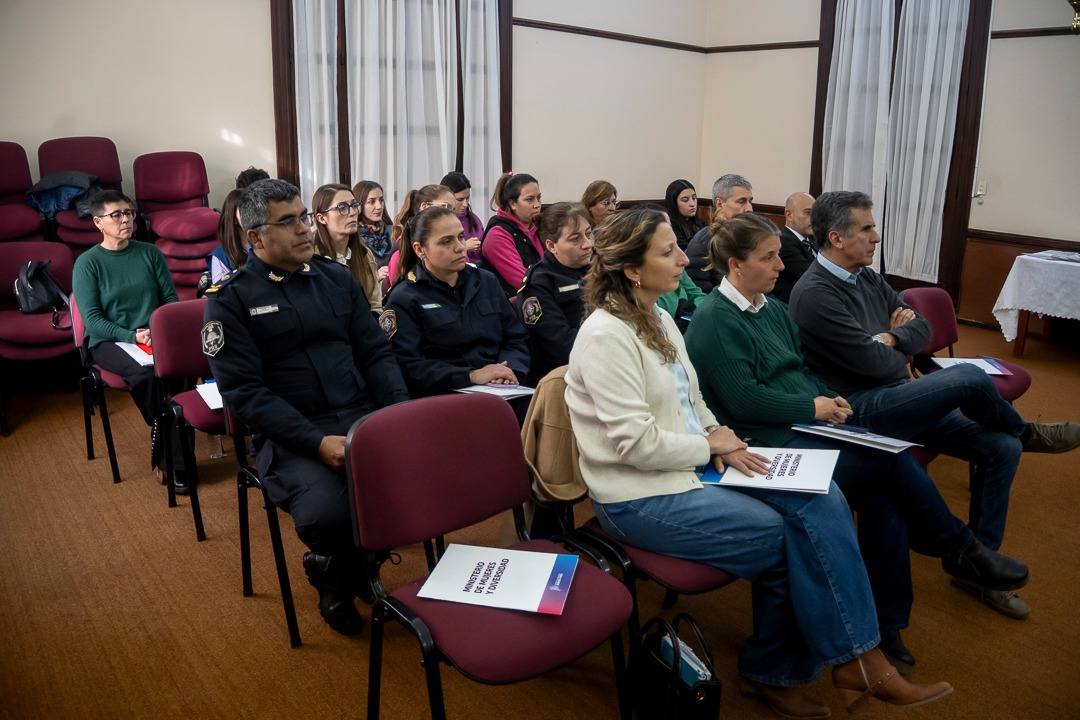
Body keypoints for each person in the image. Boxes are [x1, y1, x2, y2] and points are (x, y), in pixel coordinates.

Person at [564, 206, 952, 718]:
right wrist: (713, 446)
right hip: (638, 495)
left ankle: (850, 662)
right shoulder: (605, 336)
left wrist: (718, 436)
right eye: (668, 251)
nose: (684, 258)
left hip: (691, 466)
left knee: (820, 497)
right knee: (790, 536)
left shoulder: (657, 316)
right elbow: (634, 445)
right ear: (633, 269)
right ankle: (802, 668)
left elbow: (692, 399)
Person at [684, 212, 1029, 672]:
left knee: (886, 499)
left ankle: (889, 626)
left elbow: (798, 369)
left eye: (777, 256)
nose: (781, 266)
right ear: (735, 265)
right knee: (892, 464)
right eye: (768, 258)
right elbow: (743, 400)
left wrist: (826, 398)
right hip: (762, 444)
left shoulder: (771, 308)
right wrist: (813, 407)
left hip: (802, 425)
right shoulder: (715, 319)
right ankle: (960, 548)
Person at [788, 191, 1080, 619]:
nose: (876, 237)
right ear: (836, 237)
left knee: (1001, 449)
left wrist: (891, 338)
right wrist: (893, 347)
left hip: (897, 392)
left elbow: (920, 329)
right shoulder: (815, 293)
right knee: (969, 377)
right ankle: (1025, 430)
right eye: (867, 229)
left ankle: (976, 569)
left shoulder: (865, 275)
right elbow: (873, 363)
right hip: (858, 409)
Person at [203, 179, 410, 636]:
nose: (304, 229)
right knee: (328, 514)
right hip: (294, 434)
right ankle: (334, 576)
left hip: (360, 414)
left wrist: (399, 414)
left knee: (412, 483)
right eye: (288, 222)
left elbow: (375, 353)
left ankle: (358, 563)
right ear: (255, 237)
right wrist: (316, 443)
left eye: (303, 217)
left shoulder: (335, 278)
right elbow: (245, 393)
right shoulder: (231, 302)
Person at [72, 189, 184, 482]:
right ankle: (176, 462)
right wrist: (132, 336)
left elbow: (169, 300)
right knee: (148, 376)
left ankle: (168, 450)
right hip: (109, 341)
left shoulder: (150, 253)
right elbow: (93, 321)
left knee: (183, 368)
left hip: (154, 334)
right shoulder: (87, 263)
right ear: (98, 222)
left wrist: (159, 330)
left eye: (129, 212)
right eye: (117, 214)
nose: (126, 219)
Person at [381, 206, 529, 404]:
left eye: (461, 237)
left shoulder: (485, 281)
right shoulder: (405, 297)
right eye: (446, 241)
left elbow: (516, 336)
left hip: (503, 387)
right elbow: (409, 366)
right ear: (420, 249)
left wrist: (508, 370)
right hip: (445, 396)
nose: (460, 247)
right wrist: (471, 375)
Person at [516, 202, 593, 384]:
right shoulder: (538, 284)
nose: (588, 244)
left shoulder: (600, 269)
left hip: (602, 361)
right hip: (562, 377)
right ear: (551, 246)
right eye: (575, 239)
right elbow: (562, 346)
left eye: (589, 234)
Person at [312, 183, 382, 312]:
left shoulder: (365, 254)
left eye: (354, 205)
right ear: (322, 218)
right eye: (342, 207)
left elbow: (375, 305)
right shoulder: (310, 258)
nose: (352, 212)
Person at [686, 174, 754, 293]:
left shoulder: (752, 236)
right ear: (720, 203)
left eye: (750, 201)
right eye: (741, 201)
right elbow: (701, 295)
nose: (749, 208)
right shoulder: (704, 242)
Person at [480, 172, 543, 295]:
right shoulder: (497, 236)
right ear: (512, 203)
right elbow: (523, 281)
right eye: (530, 199)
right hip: (512, 302)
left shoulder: (539, 226)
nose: (537, 205)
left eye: (539, 198)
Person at [388, 184, 456, 283]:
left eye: (453, 210)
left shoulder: (455, 240)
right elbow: (399, 288)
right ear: (424, 207)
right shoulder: (401, 250)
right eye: (446, 207)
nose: (452, 215)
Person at [773, 192, 816, 303]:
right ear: (789, 215)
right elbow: (812, 276)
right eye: (808, 213)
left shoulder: (813, 241)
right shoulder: (783, 241)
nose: (814, 219)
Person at [352, 180, 394, 285]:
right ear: (359, 205)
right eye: (371, 201)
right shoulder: (352, 237)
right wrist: (375, 277)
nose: (379, 206)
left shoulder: (393, 231)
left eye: (381, 200)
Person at [440, 171, 484, 264]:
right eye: (460, 199)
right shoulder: (438, 223)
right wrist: (465, 247)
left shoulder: (474, 219)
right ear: (446, 198)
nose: (465, 204)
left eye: (467, 198)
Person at [208, 188, 247, 283]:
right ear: (233, 218)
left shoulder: (266, 245)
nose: (252, 215)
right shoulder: (220, 256)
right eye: (245, 211)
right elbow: (222, 291)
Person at [664, 179, 706, 251]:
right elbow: (687, 252)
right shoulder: (669, 227)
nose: (692, 204)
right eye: (685, 200)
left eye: (694, 198)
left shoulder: (700, 223)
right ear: (674, 203)